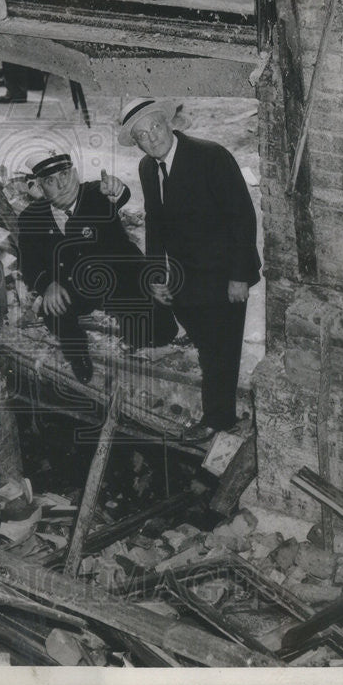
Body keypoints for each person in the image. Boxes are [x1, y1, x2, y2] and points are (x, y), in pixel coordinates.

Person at [119, 98, 261, 440]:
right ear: (136, 143)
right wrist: (155, 274)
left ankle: (218, 419)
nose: (152, 139)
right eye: (142, 135)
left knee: (220, 350)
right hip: (186, 270)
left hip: (226, 269)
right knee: (198, 330)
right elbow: (154, 223)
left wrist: (239, 276)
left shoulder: (210, 156)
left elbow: (242, 215)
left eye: (155, 127)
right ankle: (203, 357)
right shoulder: (147, 168)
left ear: (170, 123)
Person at [17, 151, 178, 383]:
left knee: (160, 333)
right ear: (41, 188)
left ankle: (140, 331)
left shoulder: (95, 193)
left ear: (74, 173)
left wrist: (149, 278)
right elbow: (29, 263)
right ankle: (78, 358)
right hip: (70, 288)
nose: (62, 184)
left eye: (64, 174)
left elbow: (119, 195)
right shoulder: (31, 218)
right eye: (51, 181)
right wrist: (46, 285)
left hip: (113, 280)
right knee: (56, 312)